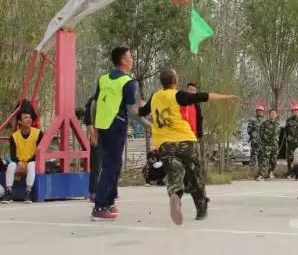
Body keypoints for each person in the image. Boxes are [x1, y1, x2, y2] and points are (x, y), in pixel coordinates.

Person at [139, 68, 237, 225]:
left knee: (174, 174)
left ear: (162, 82)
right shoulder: (178, 95)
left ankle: (176, 195)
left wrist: (135, 105)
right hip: (185, 141)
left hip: (165, 144)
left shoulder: (155, 96)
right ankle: (201, 208)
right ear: (175, 81)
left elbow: (141, 111)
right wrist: (226, 97)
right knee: (194, 175)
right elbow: (204, 96)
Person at [90, 47, 139, 221]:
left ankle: (109, 201)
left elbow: (95, 104)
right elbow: (133, 111)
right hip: (116, 126)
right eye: (130, 56)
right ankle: (99, 207)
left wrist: (94, 126)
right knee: (110, 167)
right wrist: (149, 125)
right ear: (123, 60)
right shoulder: (128, 82)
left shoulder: (103, 78)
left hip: (103, 126)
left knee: (115, 166)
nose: (132, 59)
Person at [1, 109, 43, 203]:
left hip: (32, 163)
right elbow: (13, 155)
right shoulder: (14, 136)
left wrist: (27, 162)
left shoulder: (38, 133)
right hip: (19, 164)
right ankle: (9, 193)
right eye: (26, 117)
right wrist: (18, 162)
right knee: (11, 165)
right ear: (20, 121)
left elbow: (39, 153)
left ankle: (28, 192)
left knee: (31, 165)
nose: (29, 119)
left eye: (30, 117)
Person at [83, 94, 102, 202]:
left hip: (109, 135)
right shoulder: (93, 100)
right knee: (96, 166)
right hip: (97, 135)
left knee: (110, 166)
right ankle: (93, 192)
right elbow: (87, 119)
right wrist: (93, 134)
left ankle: (110, 190)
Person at [257, 110, 280, 180]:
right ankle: (261, 174)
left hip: (275, 145)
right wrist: (265, 141)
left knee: (274, 160)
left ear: (276, 115)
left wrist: (276, 142)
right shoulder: (264, 123)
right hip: (266, 145)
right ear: (269, 114)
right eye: (271, 113)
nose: (273, 115)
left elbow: (278, 134)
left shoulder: (277, 124)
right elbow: (260, 133)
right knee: (265, 160)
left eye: (274, 113)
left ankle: (271, 173)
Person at [285, 105, 298, 176]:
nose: (296, 112)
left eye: (297, 110)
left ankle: (297, 172)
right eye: (294, 110)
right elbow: (286, 131)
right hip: (291, 143)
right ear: (292, 112)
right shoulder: (288, 120)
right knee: (290, 158)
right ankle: (290, 172)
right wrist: (288, 140)